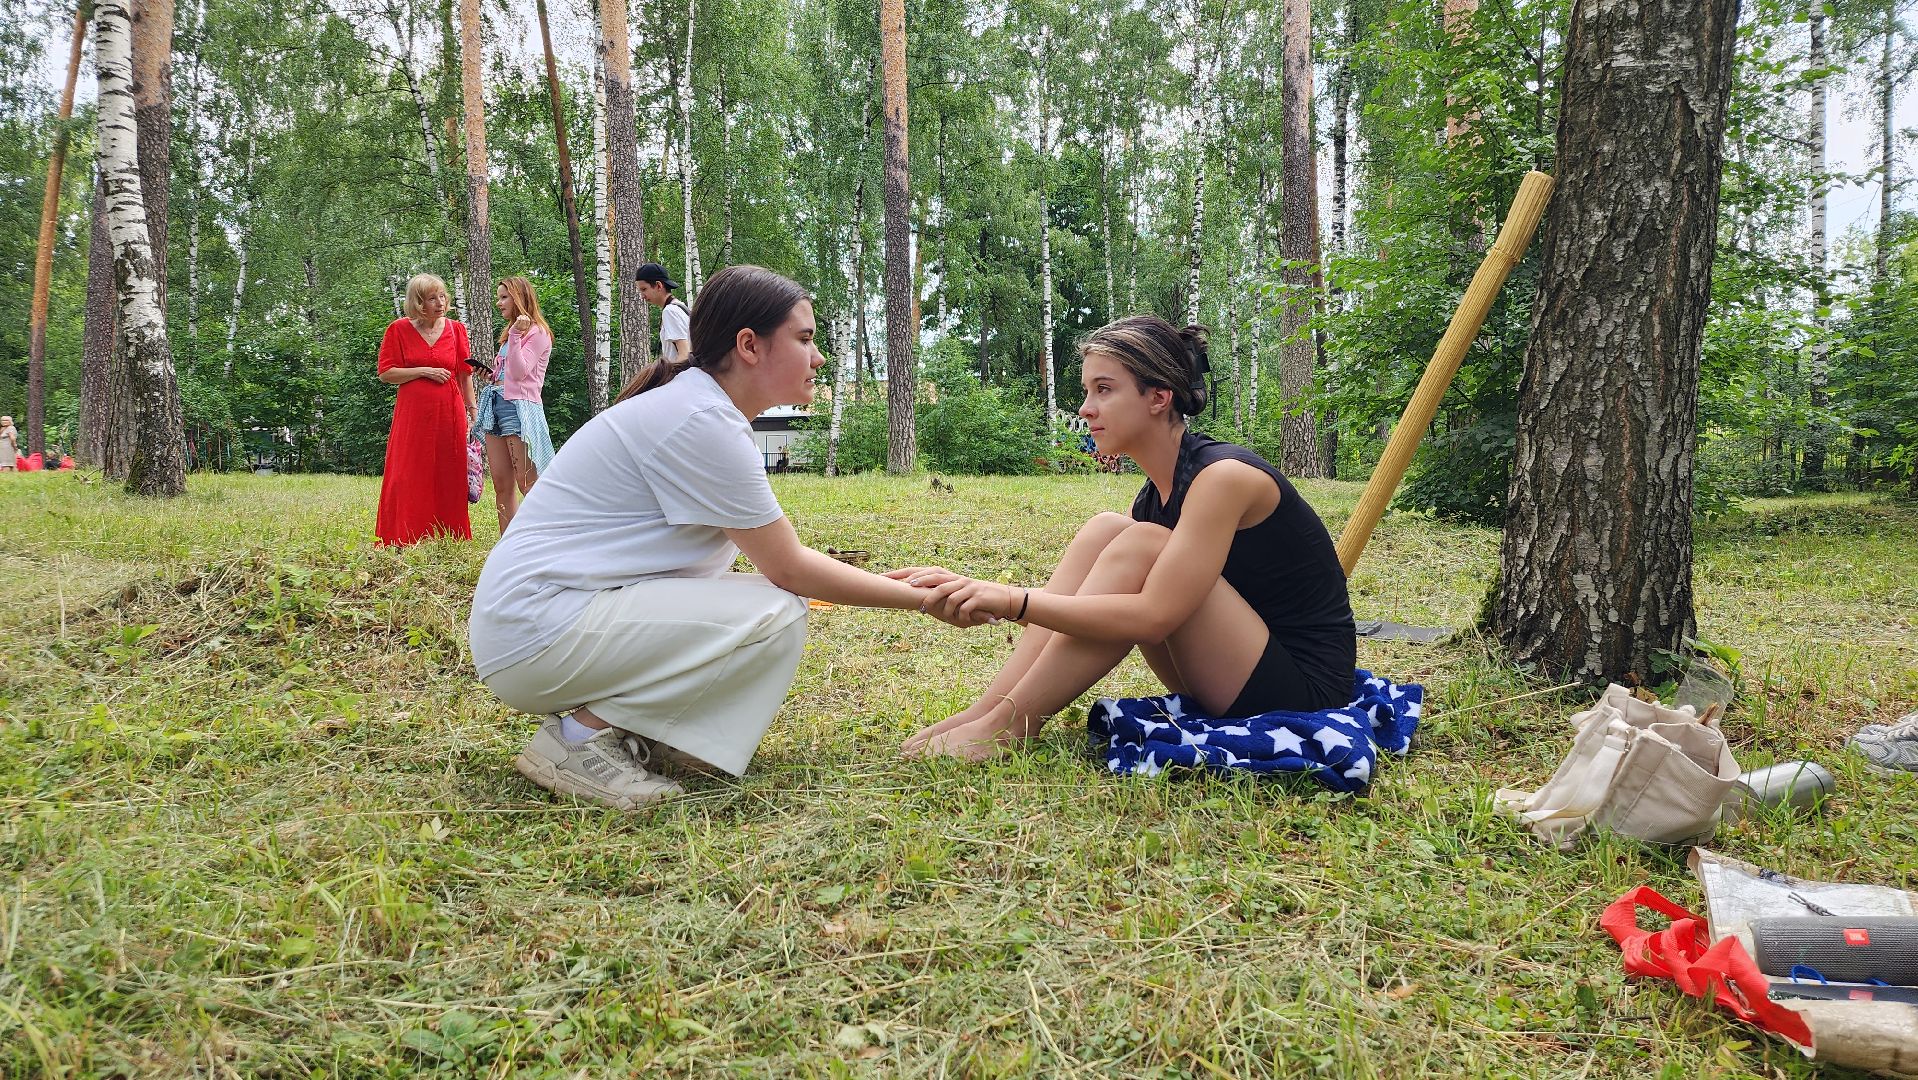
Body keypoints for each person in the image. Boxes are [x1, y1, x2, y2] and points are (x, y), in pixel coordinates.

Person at [468, 265, 968, 811]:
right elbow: (790, 567)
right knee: (777, 611)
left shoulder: (699, 409)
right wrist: (922, 599)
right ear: (749, 345)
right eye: (804, 339)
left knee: (769, 604)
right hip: (535, 631)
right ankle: (578, 741)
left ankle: (644, 736)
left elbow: (778, 565)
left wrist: (886, 584)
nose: (818, 357)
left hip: (540, 624)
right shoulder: (701, 419)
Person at [897, 314, 1358, 762]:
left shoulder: (1223, 478)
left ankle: (1013, 725)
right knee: (1109, 529)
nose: (1085, 409)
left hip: (1301, 690)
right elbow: (1057, 613)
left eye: (1104, 390)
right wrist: (985, 595)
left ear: (1158, 397)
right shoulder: (1154, 498)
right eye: (1087, 391)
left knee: (1140, 545)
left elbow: (1153, 617)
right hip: (1234, 667)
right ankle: (992, 714)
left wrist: (1014, 599)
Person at [375, 273, 476, 546]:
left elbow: (465, 376)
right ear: (418, 302)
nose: (440, 302)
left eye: (442, 296)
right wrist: (423, 372)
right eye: (432, 298)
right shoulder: (398, 329)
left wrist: (473, 412)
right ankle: (404, 534)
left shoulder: (456, 330)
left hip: (449, 411)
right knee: (408, 471)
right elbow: (386, 373)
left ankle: (448, 535)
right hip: (412, 414)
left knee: (448, 469)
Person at [473, 276, 557, 532]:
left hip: (520, 410)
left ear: (520, 298)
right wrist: (492, 375)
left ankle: (541, 541)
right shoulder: (512, 334)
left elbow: (521, 373)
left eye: (503, 297)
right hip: (496, 407)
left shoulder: (537, 332)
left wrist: (516, 335)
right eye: (498, 297)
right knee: (501, 484)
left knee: (528, 484)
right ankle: (507, 546)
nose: (498, 303)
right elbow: (510, 374)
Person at [635, 262, 691, 363]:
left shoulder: (670, 311)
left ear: (659, 285)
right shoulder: (680, 307)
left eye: (644, 289)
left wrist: (666, 377)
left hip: (681, 376)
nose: (642, 296)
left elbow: (684, 355)